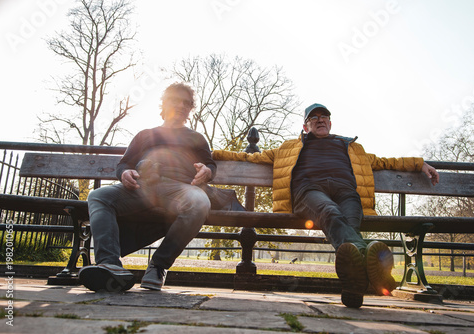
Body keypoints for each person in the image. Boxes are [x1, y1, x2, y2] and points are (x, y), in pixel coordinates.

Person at [213, 103, 439, 308]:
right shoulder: (288, 148)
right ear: (305, 126)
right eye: (314, 118)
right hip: (309, 192)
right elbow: (249, 158)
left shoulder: (351, 147)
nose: (320, 120)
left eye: (324, 116)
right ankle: (374, 267)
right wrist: (209, 155)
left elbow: (385, 162)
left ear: (330, 123)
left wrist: (419, 164)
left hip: (347, 193)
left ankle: (353, 288)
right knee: (330, 213)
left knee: (350, 224)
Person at [79, 82, 216, 292]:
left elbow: (211, 165)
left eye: (186, 103)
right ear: (164, 103)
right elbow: (124, 164)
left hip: (180, 189)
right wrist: (125, 173)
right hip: (142, 187)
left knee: (199, 202)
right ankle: (109, 264)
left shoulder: (197, 138)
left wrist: (207, 171)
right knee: (98, 195)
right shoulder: (145, 135)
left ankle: (158, 266)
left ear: (190, 110)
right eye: (175, 100)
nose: (181, 105)